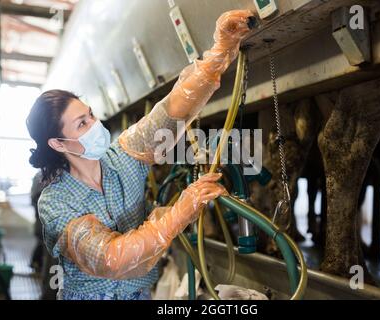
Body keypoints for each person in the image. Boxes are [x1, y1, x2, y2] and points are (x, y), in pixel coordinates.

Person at [25, 10, 252, 300]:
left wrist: (220, 50)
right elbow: (111, 258)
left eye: (90, 115)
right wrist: (180, 212)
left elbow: (173, 111)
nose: (95, 125)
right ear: (58, 143)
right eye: (82, 124)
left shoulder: (122, 157)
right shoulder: (56, 202)